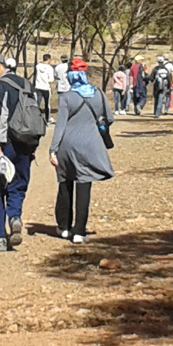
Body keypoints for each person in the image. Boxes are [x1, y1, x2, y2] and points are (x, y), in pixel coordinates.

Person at [50, 58, 114, 243]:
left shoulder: (66, 97)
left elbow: (60, 126)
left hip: (67, 146)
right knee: (84, 185)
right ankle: (79, 231)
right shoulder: (99, 94)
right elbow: (109, 118)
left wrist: (53, 149)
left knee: (65, 183)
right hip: (90, 145)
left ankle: (64, 227)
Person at [0, 50, 36, 251]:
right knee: (18, 186)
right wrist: (33, 146)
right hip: (25, 145)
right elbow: (36, 116)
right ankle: (15, 218)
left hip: (4, 147)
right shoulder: (26, 84)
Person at [33, 54, 56, 120]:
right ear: (48, 60)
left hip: (38, 87)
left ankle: (35, 117)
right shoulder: (50, 68)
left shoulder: (38, 66)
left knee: (37, 103)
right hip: (46, 88)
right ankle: (47, 118)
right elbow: (51, 79)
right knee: (47, 104)